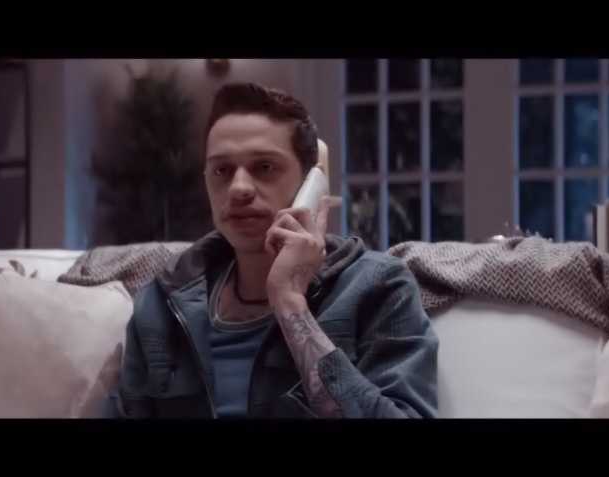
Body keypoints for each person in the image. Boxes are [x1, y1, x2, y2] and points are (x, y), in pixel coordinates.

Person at [113, 82, 437, 418]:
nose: (238, 188)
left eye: (264, 167)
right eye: (222, 170)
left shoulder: (379, 287)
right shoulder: (161, 301)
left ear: (312, 183)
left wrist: (290, 304)